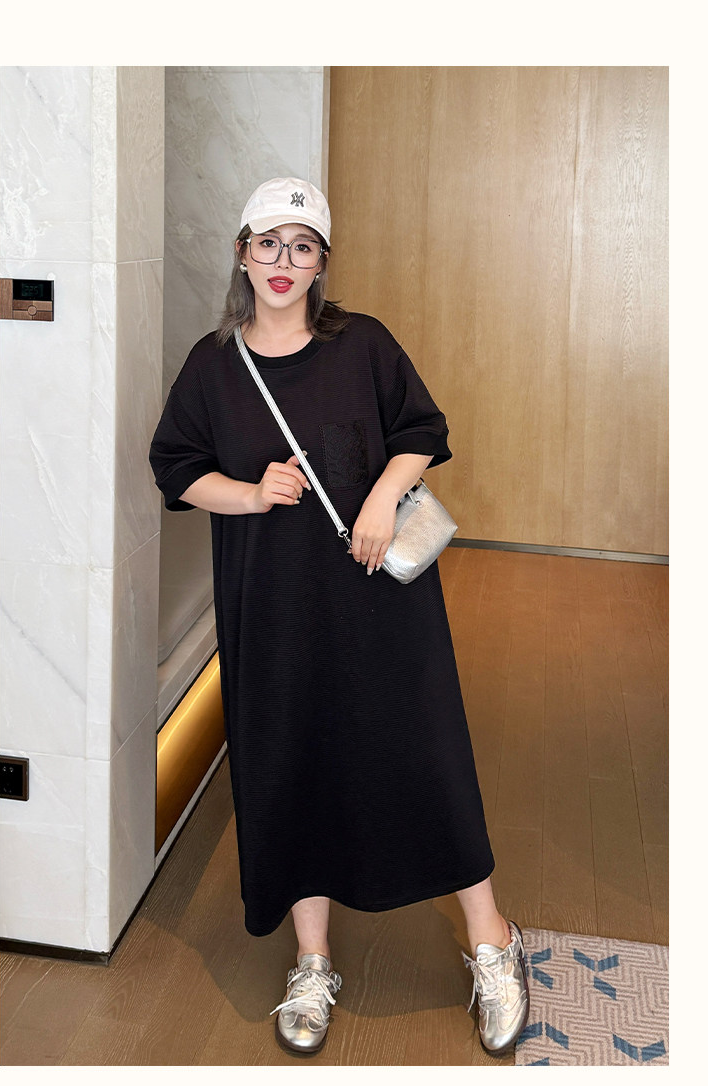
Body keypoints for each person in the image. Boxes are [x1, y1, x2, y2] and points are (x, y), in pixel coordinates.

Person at [149, 177, 529, 1057]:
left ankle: (492, 939)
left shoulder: (362, 344)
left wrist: (384, 495)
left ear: (322, 262)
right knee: (293, 764)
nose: (284, 262)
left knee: (426, 753)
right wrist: (250, 494)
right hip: (272, 609)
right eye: (268, 243)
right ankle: (312, 960)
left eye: (303, 246)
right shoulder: (214, 365)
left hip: (382, 602)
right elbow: (176, 467)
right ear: (243, 253)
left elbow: (422, 429)